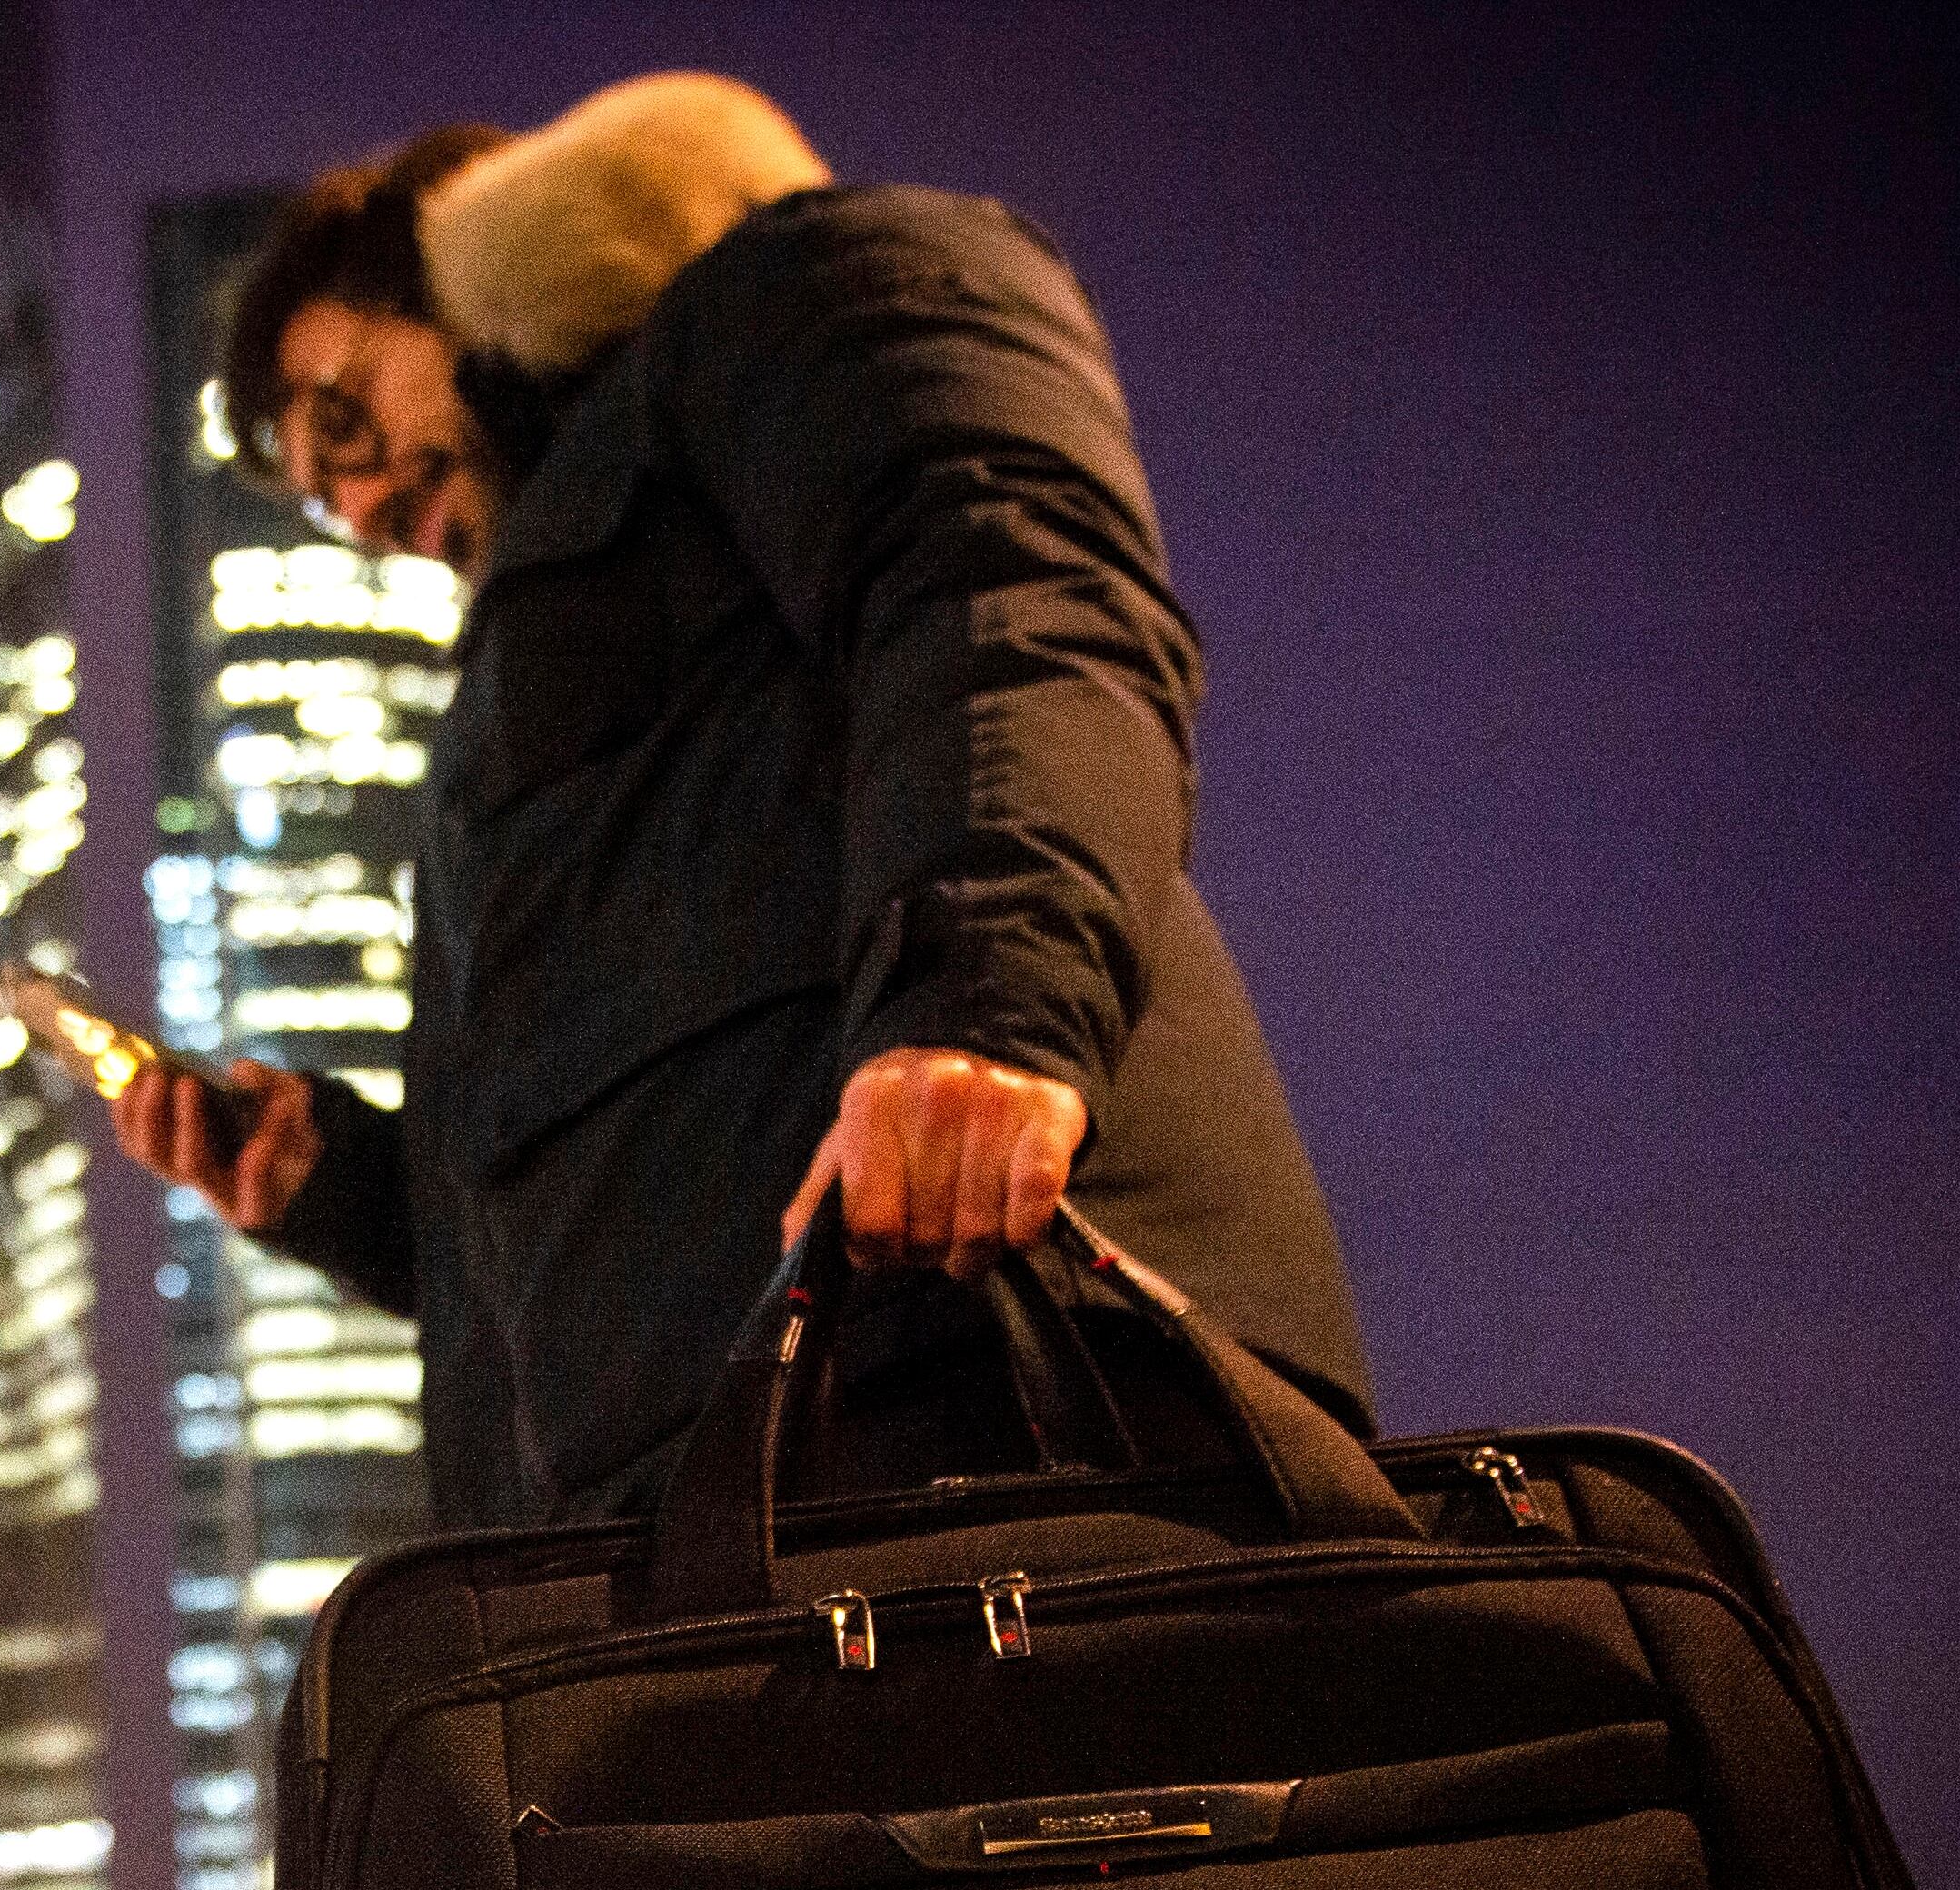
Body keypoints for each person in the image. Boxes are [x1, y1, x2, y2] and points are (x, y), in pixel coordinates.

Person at [118, 72, 1371, 1527]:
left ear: (449, 265)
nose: (361, 502)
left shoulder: (765, 299)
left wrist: (981, 1013)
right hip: (721, 1496)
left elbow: (1003, 582)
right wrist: (341, 1188)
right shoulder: (541, 657)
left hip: (994, 1360)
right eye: (322, 497)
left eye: (345, 413)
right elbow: (636, 1138)